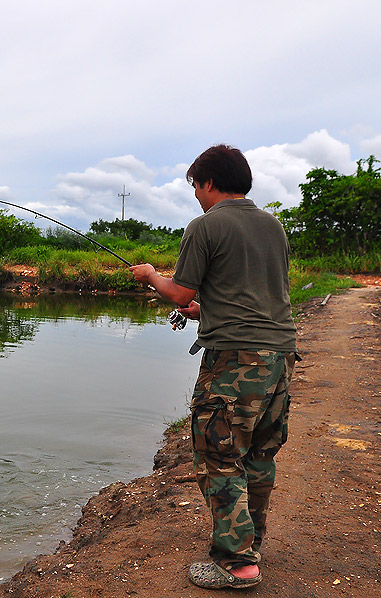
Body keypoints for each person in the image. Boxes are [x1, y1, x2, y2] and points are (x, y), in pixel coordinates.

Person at [129, 144, 297, 590]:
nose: (196, 197)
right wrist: (204, 309)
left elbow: (181, 294)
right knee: (260, 456)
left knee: (220, 456)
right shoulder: (273, 227)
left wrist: (150, 276)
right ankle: (250, 542)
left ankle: (238, 563)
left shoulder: (206, 226)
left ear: (208, 183)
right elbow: (242, 300)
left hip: (234, 363)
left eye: (196, 188)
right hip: (280, 359)